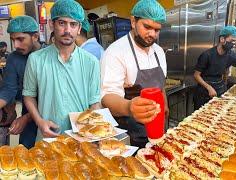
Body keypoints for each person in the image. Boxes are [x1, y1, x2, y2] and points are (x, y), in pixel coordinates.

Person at [23, 0, 100, 140]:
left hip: (81, 141)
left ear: (79, 27)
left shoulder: (91, 62)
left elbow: (95, 102)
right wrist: (40, 122)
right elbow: (29, 95)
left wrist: (91, 128)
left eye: (73, 24)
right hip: (48, 138)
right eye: (62, 23)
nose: (67, 30)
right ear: (52, 24)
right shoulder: (36, 60)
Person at [101, 0, 168, 148]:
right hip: (131, 134)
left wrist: (165, 109)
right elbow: (107, 97)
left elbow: (161, 87)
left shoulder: (159, 52)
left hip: (158, 129)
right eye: (147, 27)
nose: (152, 34)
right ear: (133, 21)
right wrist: (129, 107)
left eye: (157, 30)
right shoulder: (115, 52)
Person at [0, 16, 41, 148]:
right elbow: (8, 90)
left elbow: (53, 96)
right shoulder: (14, 58)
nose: (16, 45)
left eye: (20, 39)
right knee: (26, 153)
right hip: (27, 120)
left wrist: (27, 117)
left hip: (50, 115)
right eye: (13, 40)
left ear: (35, 36)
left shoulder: (49, 56)